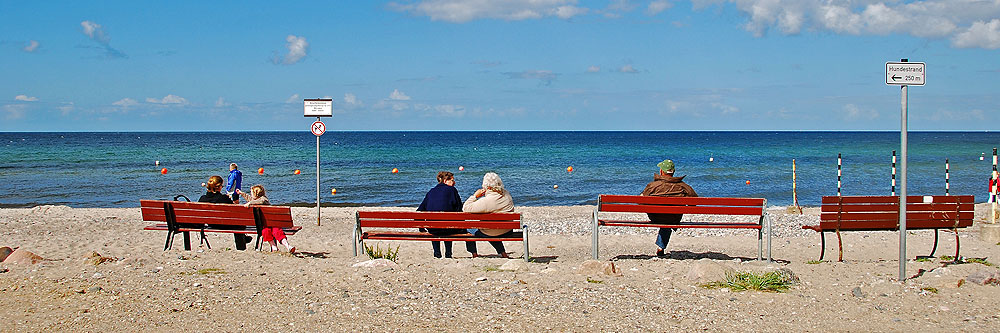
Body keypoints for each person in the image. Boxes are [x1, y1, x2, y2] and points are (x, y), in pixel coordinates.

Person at [640, 159, 698, 257]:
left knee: (663, 217)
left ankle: (661, 247)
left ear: (661, 171)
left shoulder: (653, 185)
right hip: (673, 218)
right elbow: (694, 202)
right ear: (673, 172)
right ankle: (661, 247)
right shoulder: (683, 186)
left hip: (655, 217)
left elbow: (640, 202)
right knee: (668, 219)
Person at [462, 172, 514, 258]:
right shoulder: (507, 194)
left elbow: (466, 208)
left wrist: (475, 196)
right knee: (492, 226)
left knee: (469, 229)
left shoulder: (486, 201)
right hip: (507, 230)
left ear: (488, 187)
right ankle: (503, 253)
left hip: (491, 232)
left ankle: (474, 254)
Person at [417, 171, 464, 258]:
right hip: (449, 229)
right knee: (448, 223)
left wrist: (421, 228)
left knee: (435, 224)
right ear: (445, 180)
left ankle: (437, 253)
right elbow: (459, 208)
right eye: (452, 180)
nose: (454, 182)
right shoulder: (452, 190)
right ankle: (448, 253)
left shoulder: (431, 191)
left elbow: (420, 211)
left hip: (433, 229)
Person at [199, 175, 253, 248]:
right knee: (239, 224)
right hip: (225, 224)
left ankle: (244, 238)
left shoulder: (202, 199)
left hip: (211, 224)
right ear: (219, 187)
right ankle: (241, 246)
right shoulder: (223, 198)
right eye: (222, 186)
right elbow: (235, 210)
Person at [242, 185, 295, 253]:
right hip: (268, 224)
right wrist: (242, 194)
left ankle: (288, 246)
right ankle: (274, 246)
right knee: (266, 231)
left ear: (256, 194)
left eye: (251, 193)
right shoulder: (258, 200)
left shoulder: (264, 200)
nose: (251, 195)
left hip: (271, 223)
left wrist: (249, 203)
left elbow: (259, 201)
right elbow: (252, 200)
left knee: (276, 231)